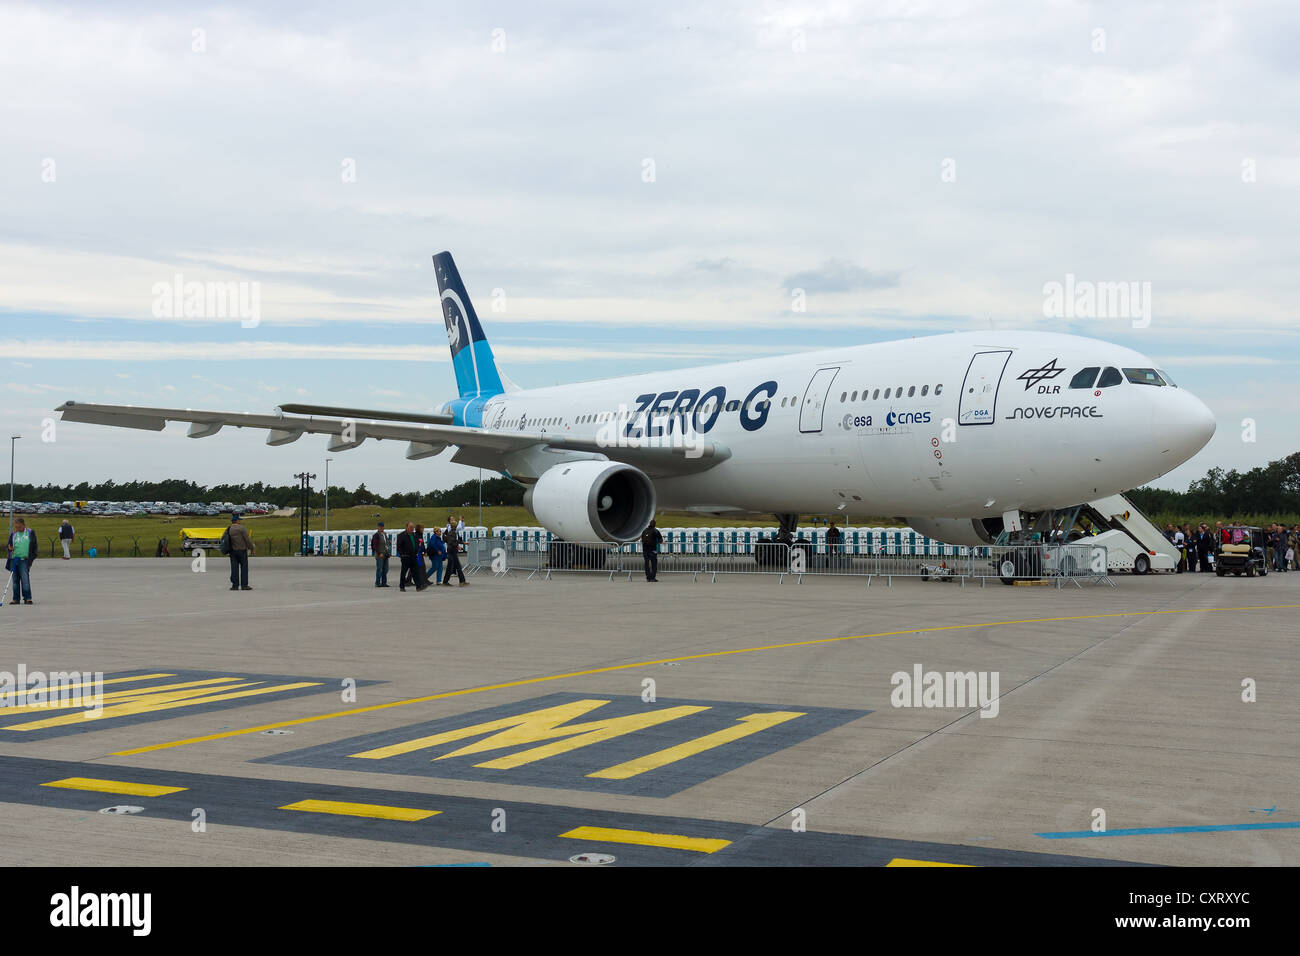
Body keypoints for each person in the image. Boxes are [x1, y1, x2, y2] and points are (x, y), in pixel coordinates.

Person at [6, 517, 38, 605]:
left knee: (25, 579)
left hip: (24, 560)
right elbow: (9, 545)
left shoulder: (30, 533)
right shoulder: (13, 534)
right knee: (15, 580)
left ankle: (27, 598)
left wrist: (31, 558)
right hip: (14, 559)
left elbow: (34, 546)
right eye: (16, 527)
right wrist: (9, 548)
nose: (17, 529)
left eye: (19, 527)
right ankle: (15, 599)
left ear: (23, 525)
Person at [226, 513, 255, 591]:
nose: (240, 521)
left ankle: (235, 585)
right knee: (244, 568)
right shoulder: (241, 528)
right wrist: (251, 548)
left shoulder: (229, 529)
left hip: (233, 551)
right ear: (237, 521)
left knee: (234, 568)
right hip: (242, 551)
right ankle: (244, 585)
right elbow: (247, 540)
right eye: (239, 520)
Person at [396, 522, 427, 591]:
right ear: (406, 527)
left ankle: (418, 586)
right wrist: (402, 555)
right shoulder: (401, 535)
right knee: (403, 572)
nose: (412, 529)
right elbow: (399, 546)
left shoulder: (414, 535)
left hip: (413, 556)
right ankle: (402, 586)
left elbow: (417, 544)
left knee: (415, 572)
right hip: (405, 557)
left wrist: (419, 551)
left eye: (413, 527)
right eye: (410, 527)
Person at [371, 521, 391, 587]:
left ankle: (384, 582)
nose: (382, 528)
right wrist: (379, 553)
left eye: (382, 526)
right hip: (380, 554)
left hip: (385, 554)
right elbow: (375, 545)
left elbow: (386, 543)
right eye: (380, 527)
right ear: (378, 527)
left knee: (386, 569)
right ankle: (377, 582)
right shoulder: (376, 535)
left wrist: (389, 542)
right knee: (379, 569)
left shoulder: (384, 534)